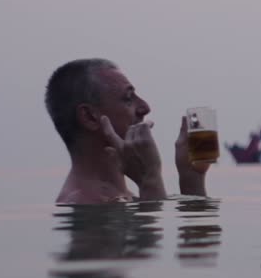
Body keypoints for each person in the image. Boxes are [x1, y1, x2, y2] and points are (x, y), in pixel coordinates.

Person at [45, 58, 211, 204]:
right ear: (90, 117)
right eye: (128, 98)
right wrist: (149, 180)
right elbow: (153, 230)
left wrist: (191, 180)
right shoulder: (82, 203)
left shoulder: (122, 198)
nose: (145, 108)